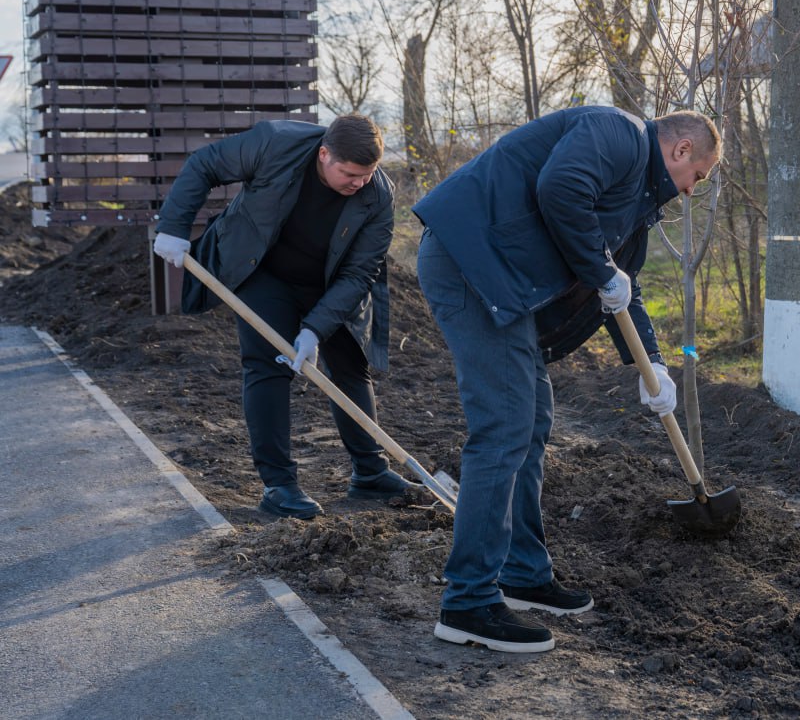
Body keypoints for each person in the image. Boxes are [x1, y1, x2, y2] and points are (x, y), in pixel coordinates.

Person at [414, 106, 721, 653]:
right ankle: (467, 602)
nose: (692, 189)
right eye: (697, 174)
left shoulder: (636, 200)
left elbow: (624, 287)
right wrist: (602, 271)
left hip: (501, 278)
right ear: (680, 150)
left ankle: (522, 573)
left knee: (533, 418)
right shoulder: (619, 134)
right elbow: (560, 188)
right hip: (470, 263)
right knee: (505, 425)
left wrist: (653, 364)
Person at [152, 114, 422, 519]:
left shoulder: (378, 194)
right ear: (324, 154)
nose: (359, 183)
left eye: (367, 174)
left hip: (331, 280)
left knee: (351, 365)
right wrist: (173, 227)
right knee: (268, 364)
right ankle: (279, 485)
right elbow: (205, 164)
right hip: (262, 267)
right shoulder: (274, 144)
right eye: (350, 174)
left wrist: (314, 329)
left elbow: (359, 273)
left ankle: (371, 472)